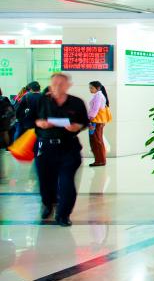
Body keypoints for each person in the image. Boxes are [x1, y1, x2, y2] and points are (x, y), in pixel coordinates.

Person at [34, 73, 89, 227]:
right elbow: (28, 119)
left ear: (68, 85)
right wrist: (39, 123)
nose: (57, 86)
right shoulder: (41, 101)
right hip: (45, 148)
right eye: (54, 83)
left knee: (67, 182)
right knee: (46, 181)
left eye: (61, 83)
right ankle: (48, 204)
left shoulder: (76, 102)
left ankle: (64, 214)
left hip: (68, 148)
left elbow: (84, 122)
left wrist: (77, 126)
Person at [86, 81, 111, 167]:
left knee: (96, 141)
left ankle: (100, 161)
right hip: (96, 121)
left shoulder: (98, 96)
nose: (90, 89)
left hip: (95, 121)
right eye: (89, 88)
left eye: (91, 88)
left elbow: (95, 109)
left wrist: (89, 119)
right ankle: (99, 160)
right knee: (97, 140)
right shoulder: (98, 95)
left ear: (98, 88)